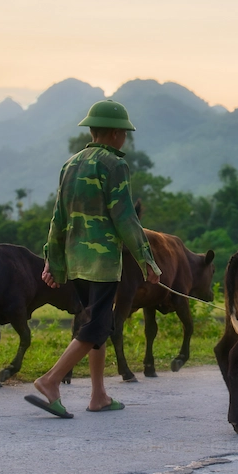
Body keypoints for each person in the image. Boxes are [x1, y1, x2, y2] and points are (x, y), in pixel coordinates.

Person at [24, 99, 161, 418]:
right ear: (115, 134)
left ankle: (98, 395)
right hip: (101, 262)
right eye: (124, 133)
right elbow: (126, 218)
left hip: (75, 261)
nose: (124, 138)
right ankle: (50, 380)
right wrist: (147, 261)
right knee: (99, 325)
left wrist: (53, 261)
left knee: (93, 322)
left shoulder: (70, 164)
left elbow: (58, 218)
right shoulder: (115, 165)